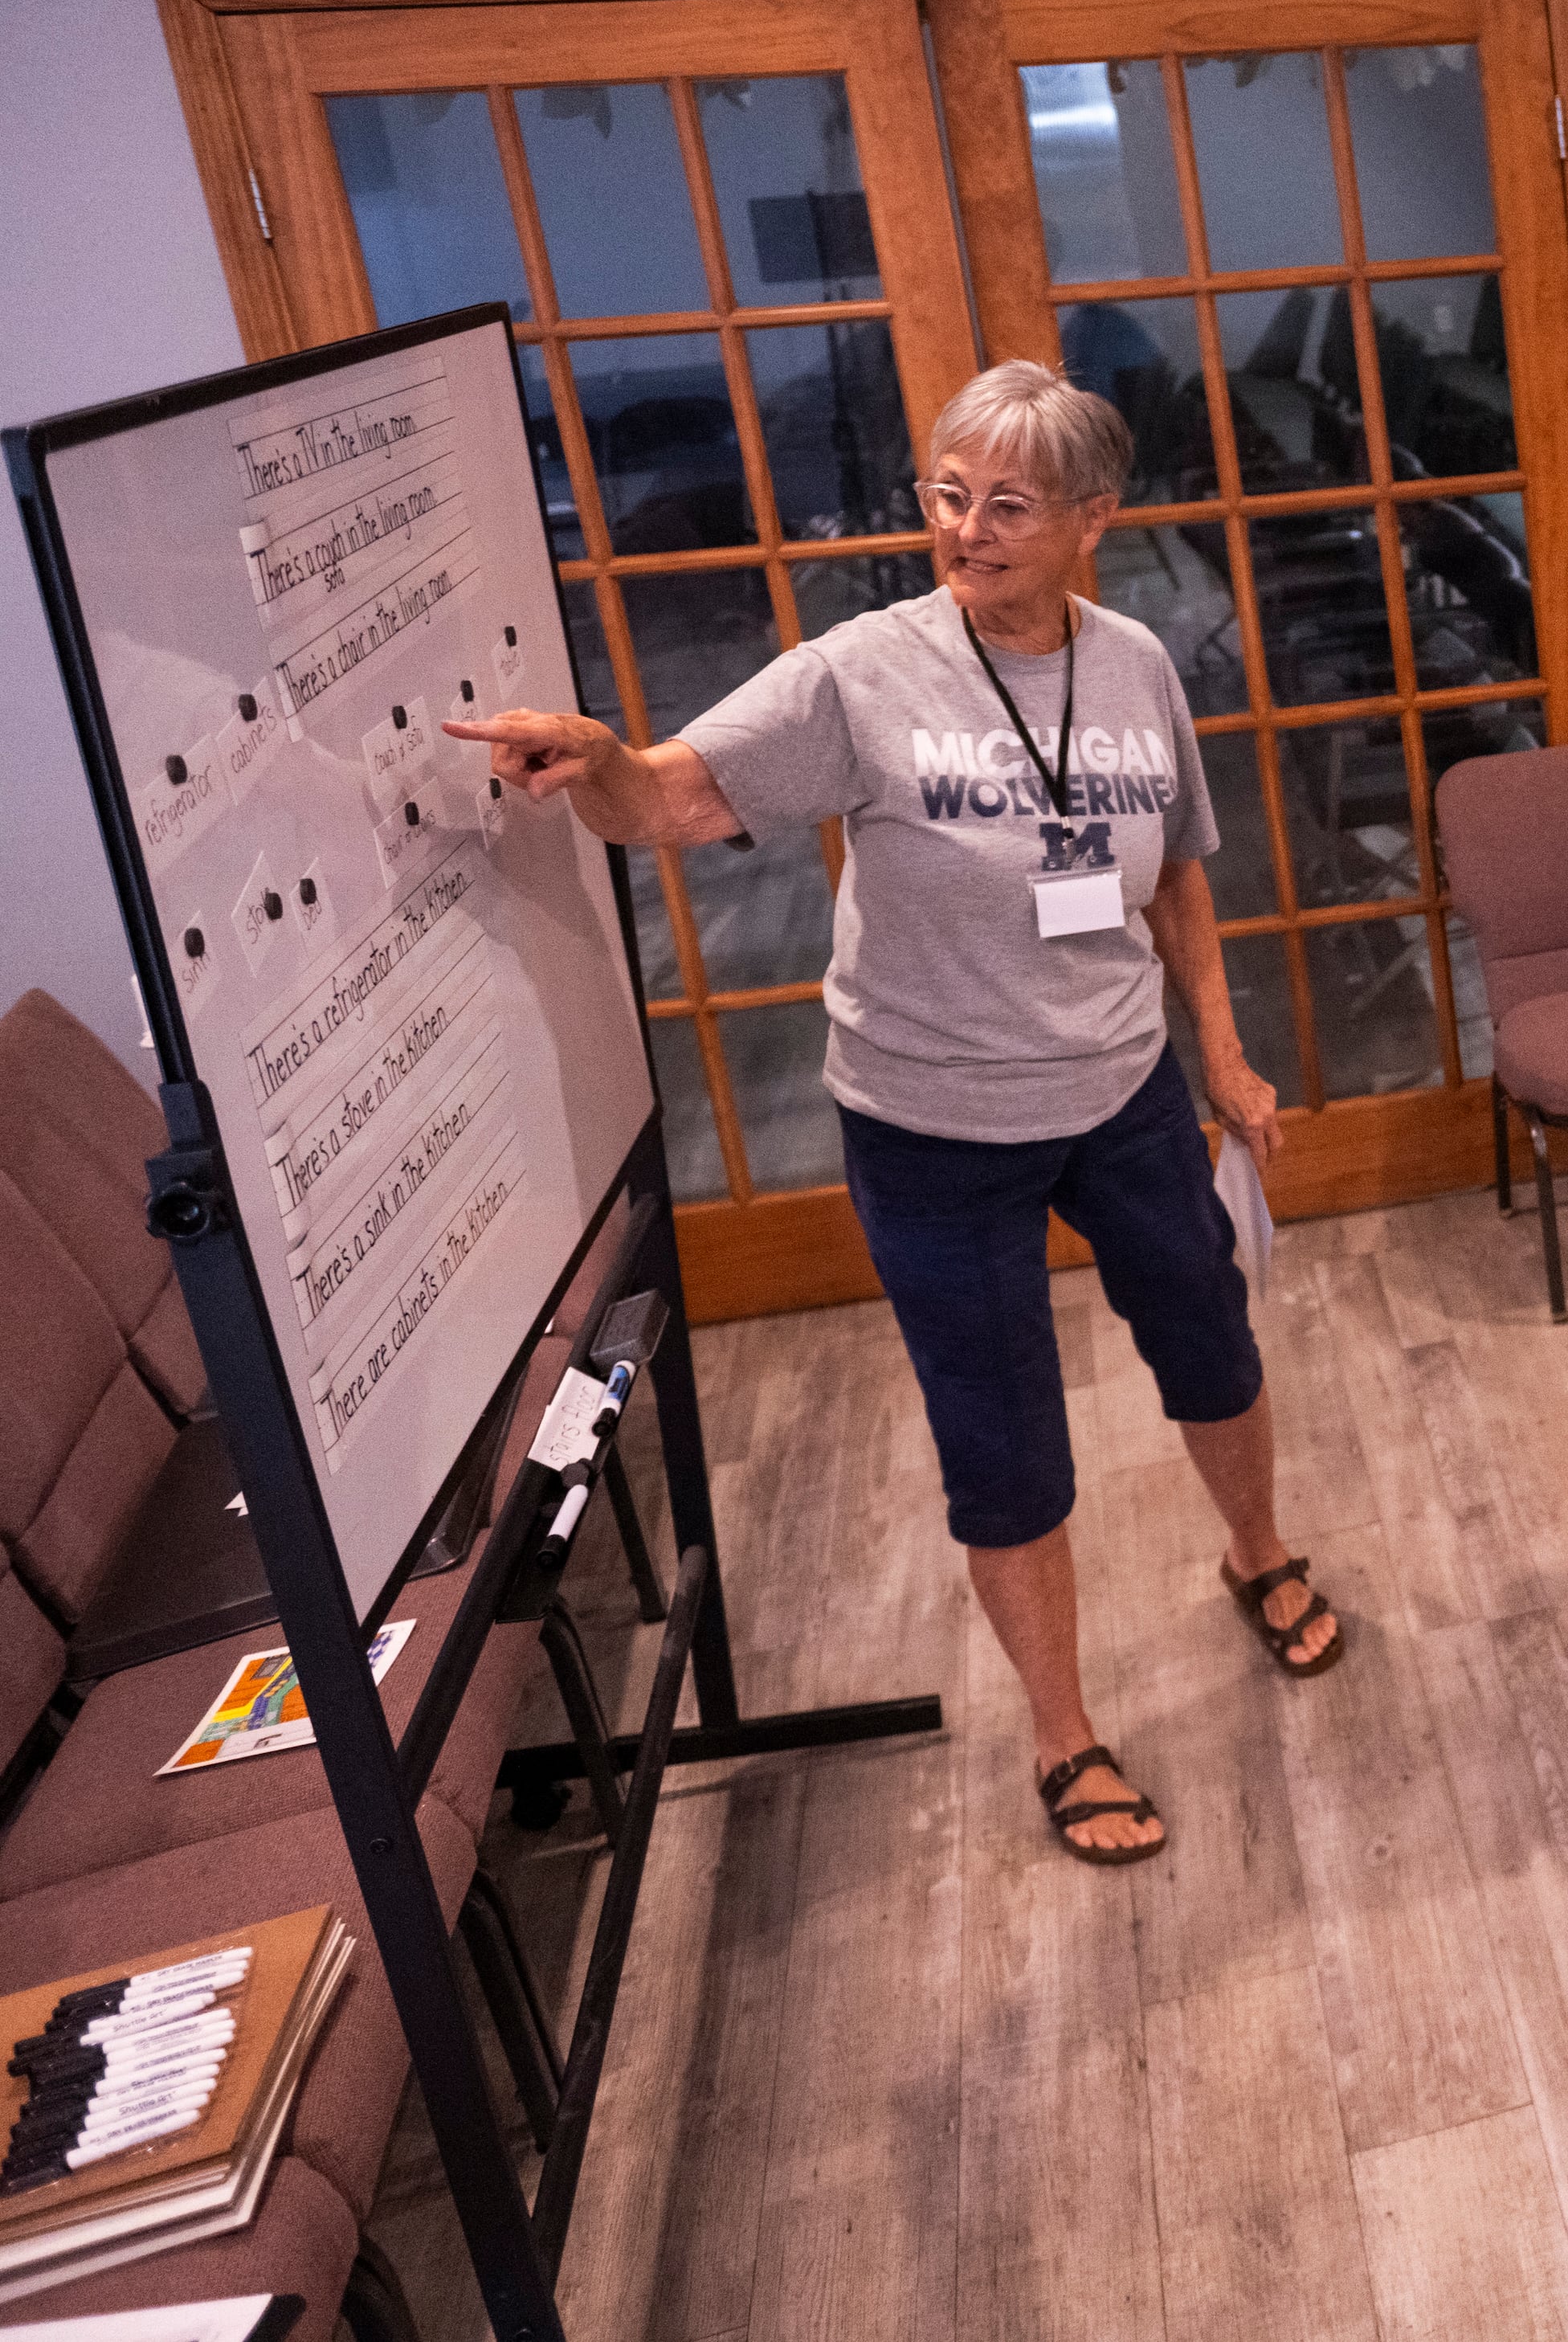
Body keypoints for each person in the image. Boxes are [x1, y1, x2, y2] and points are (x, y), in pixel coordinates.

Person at [446, 362, 1329, 1870]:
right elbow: (668, 800)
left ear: (1091, 518)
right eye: (946, 492)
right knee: (1004, 1439)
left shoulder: (1133, 666)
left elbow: (1180, 864)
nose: (966, 529)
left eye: (1007, 504)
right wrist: (599, 759)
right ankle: (1065, 1731)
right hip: (929, 1126)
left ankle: (1258, 1549)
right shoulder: (861, 670)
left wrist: (1227, 1063)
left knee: (1211, 1336)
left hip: (1119, 1091)